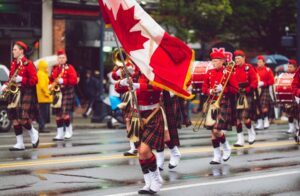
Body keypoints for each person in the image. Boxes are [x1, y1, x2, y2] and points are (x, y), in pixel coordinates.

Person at [115, 70, 164, 194]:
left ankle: (157, 179)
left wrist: (137, 86)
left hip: (152, 114)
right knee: (141, 153)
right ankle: (148, 183)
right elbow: (118, 89)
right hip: (136, 115)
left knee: (144, 150)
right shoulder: (135, 73)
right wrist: (123, 82)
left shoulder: (156, 71)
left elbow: (159, 88)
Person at [0, 41, 39, 151]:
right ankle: (20, 143)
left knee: (22, 118)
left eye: (15, 49)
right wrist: (6, 85)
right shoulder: (13, 64)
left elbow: (35, 80)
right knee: (14, 118)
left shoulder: (28, 64)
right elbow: (11, 78)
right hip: (14, 92)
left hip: (26, 91)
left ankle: (33, 132)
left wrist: (22, 79)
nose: (13, 51)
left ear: (21, 51)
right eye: (13, 49)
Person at [202, 51, 238, 164]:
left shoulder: (228, 72)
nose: (213, 63)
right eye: (212, 60)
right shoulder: (209, 72)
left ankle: (226, 147)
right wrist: (210, 90)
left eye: (216, 61)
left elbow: (235, 89)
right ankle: (216, 156)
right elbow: (204, 88)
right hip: (212, 101)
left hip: (223, 101)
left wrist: (223, 89)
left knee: (217, 129)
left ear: (222, 61)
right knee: (212, 131)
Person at [49, 50, 77, 141]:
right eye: (60, 58)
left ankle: (69, 131)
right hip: (57, 92)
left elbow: (74, 80)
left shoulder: (70, 68)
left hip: (67, 91)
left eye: (63, 58)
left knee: (65, 113)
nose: (61, 59)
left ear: (66, 59)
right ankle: (59, 134)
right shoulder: (55, 69)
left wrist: (63, 81)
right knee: (58, 114)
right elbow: (51, 79)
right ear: (57, 59)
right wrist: (50, 84)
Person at [232, 50, 258, 147]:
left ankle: (251, 131)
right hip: (236, 95)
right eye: (236, 58)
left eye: (239, 58)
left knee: (245, 117)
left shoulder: (249, 68)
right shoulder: (233, 68)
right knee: (237, 119)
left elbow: (255, 81)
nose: (237, 60)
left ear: (243, 58)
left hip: (247, 94)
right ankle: (240, 139)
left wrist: (247, 89)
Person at [255, 55, 275, 129]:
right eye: (258, 62)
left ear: (264, 62)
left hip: (265, 89)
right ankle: (260, 122)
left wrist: (264, 83)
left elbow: (272, 81)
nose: (259, 63)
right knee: (257, 106)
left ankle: (266, 121)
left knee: (264, 106)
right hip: (256, 90)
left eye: (260, 62)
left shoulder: (267, 70)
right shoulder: (255, 70)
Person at [36, 60, 52, 133]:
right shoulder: (41, 74)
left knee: (42, 113)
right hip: (43, 97)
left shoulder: (42, 73)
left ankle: (42, 126)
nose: (48, 68)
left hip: (43, 97)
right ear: (43, 67)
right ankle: (42, 127)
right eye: (46, 67)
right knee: (43, 113)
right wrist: (47, 93)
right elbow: (42, 86)